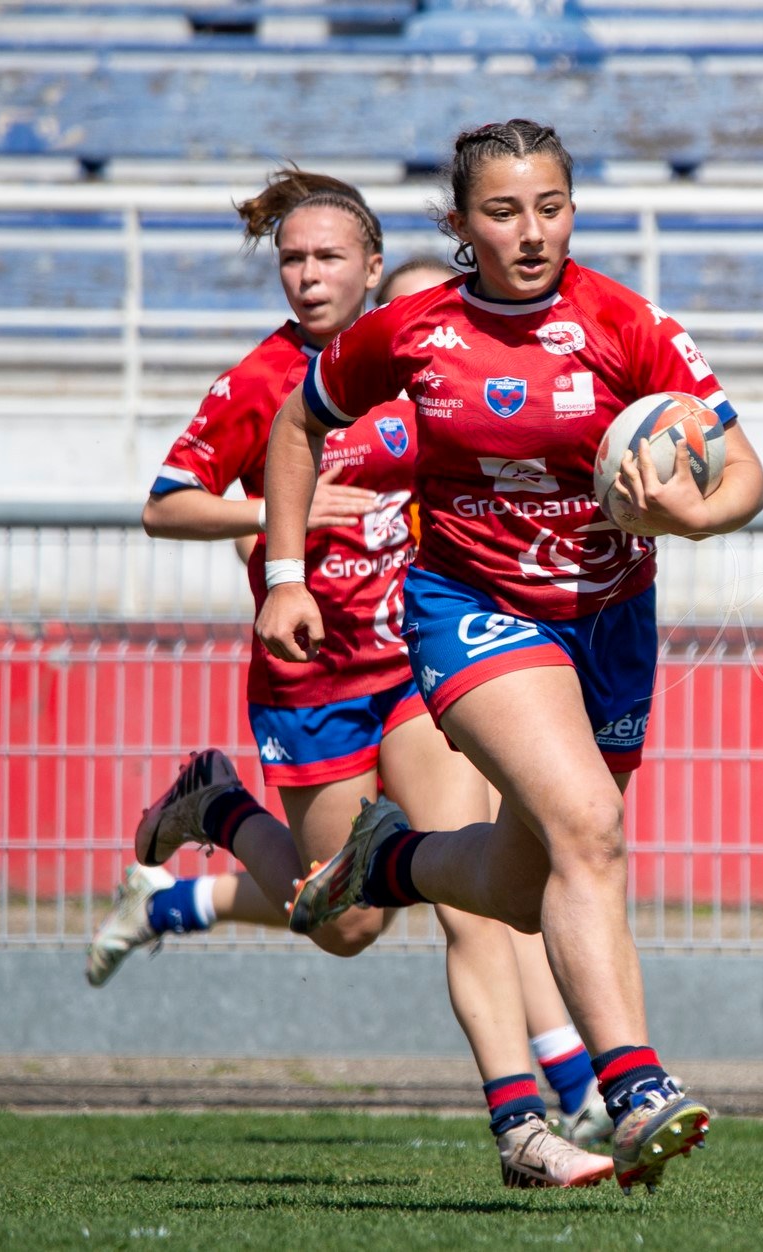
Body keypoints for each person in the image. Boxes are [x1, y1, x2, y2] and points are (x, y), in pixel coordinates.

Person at [255, 119, 763, 1194]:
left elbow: (745, 472)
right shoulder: (408, 332)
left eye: (550, 207)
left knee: (519, 874)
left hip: (611, 617)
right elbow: (298, 428)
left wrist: (693, 515)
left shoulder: (628, 326)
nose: (530, 233)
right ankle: (632, 1086)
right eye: (501, 212)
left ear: (572, 209)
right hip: (473, 607)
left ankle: (384, 861)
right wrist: (290, 572)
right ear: (458, 224)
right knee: (590, 822)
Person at [81, 176, 614, 1189]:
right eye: (293, 258)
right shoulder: (260, 382)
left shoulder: (415, 360)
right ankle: (216, 803)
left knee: (478, 892)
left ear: (375, 268)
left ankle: (524, 1128)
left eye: (331, 258)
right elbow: (164, 505)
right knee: (347, 924)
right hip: (308, 682)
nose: (311, 275)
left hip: (420, 668)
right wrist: (279, 515)